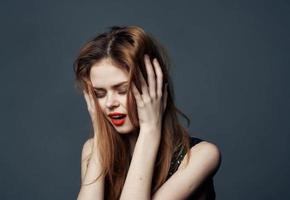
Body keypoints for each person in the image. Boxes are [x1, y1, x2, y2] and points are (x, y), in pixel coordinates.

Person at [73, 25, 221, 200]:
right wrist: (100, 137)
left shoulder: (201, 155)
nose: (109, 104)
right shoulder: (92, 150)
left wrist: (150, 129)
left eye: (122, 90)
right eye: (100, 94)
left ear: (154, 88)